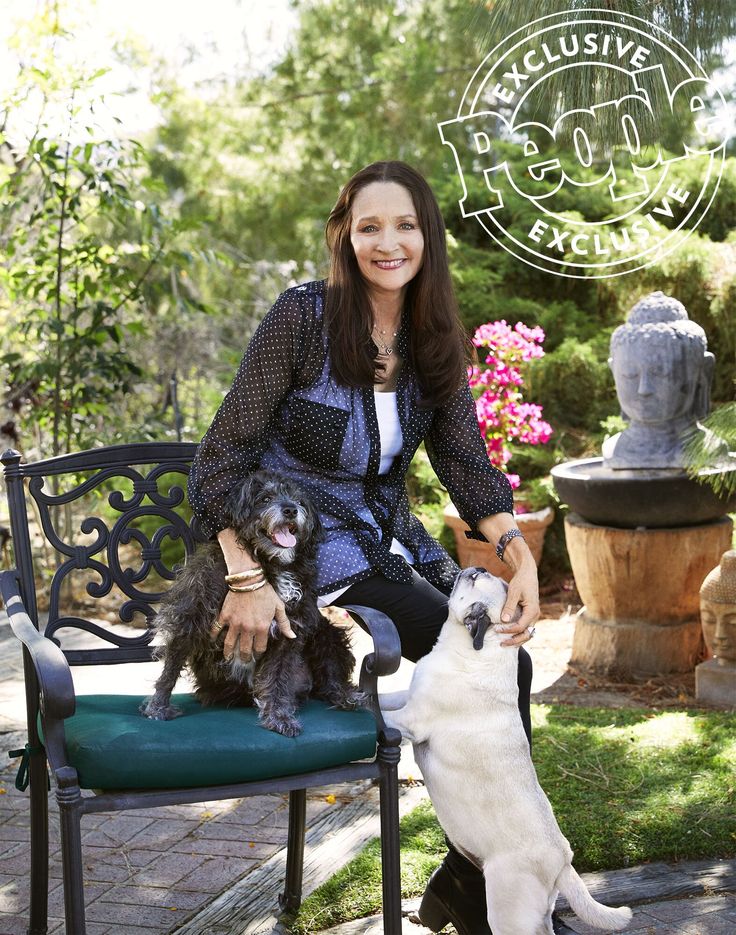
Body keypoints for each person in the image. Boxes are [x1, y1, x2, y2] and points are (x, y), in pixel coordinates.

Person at [188, 160, 542, 935]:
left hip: (385, 536)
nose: (388, 241)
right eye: (370, 225)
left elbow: (465, 463)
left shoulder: (431, 335)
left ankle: (468, 878)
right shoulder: (303, 318)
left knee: (505, 657)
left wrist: (520, 555)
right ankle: (480, 893)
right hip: (301, 548)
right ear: (345, 236)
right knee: (451, 638)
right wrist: (245, 574)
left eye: (406, 225)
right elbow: (218, 461)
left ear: (427, 238)